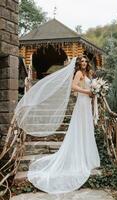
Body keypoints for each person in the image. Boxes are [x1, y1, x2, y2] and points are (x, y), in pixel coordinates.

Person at [15, 55, 100, 194]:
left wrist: (95, 91)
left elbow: (88, 87)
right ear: (79, 64)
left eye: (85, 61)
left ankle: (86, 156)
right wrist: (88, 92)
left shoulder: (87, 73)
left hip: (86, 104)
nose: (84, 63)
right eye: (82, 61)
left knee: (87, 129)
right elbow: (73, 87)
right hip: (82, 103)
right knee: (80, 128)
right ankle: (79, 157)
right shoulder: (78, 73)